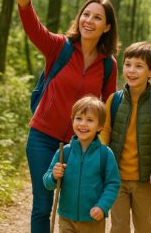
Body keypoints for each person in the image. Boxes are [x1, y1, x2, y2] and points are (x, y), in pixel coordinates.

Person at [6, 0, 119, 233]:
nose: (88, 21)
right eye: (86, 14)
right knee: (43, 206)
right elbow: (35, 30)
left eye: (97, 18)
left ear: (106, 27)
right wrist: (24, 0)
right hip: (42, 138)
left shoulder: (108, 65)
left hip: (81, 144)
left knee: (78, 205)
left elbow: (108, 108)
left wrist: (102, 145)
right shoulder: (60, 47)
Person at [99, 41, 151, 233]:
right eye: (128, 64)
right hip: (116, 179)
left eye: (139, 66)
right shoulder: (113, 100)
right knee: (118, 228)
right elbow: (104, 134)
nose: (131, 70)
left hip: (145, 181)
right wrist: (100, 163)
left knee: (143, 227)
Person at [43, 96, 120, 233]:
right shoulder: (64, 152)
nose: (83, 124)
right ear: (72, 120)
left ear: (100, 126)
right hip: (66, 218)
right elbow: (48, 183)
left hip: (93, 220)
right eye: (78, 118)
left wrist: (102, 206)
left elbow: (112, 184)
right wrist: (54, 176)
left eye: (90, 120)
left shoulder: (105, 154)